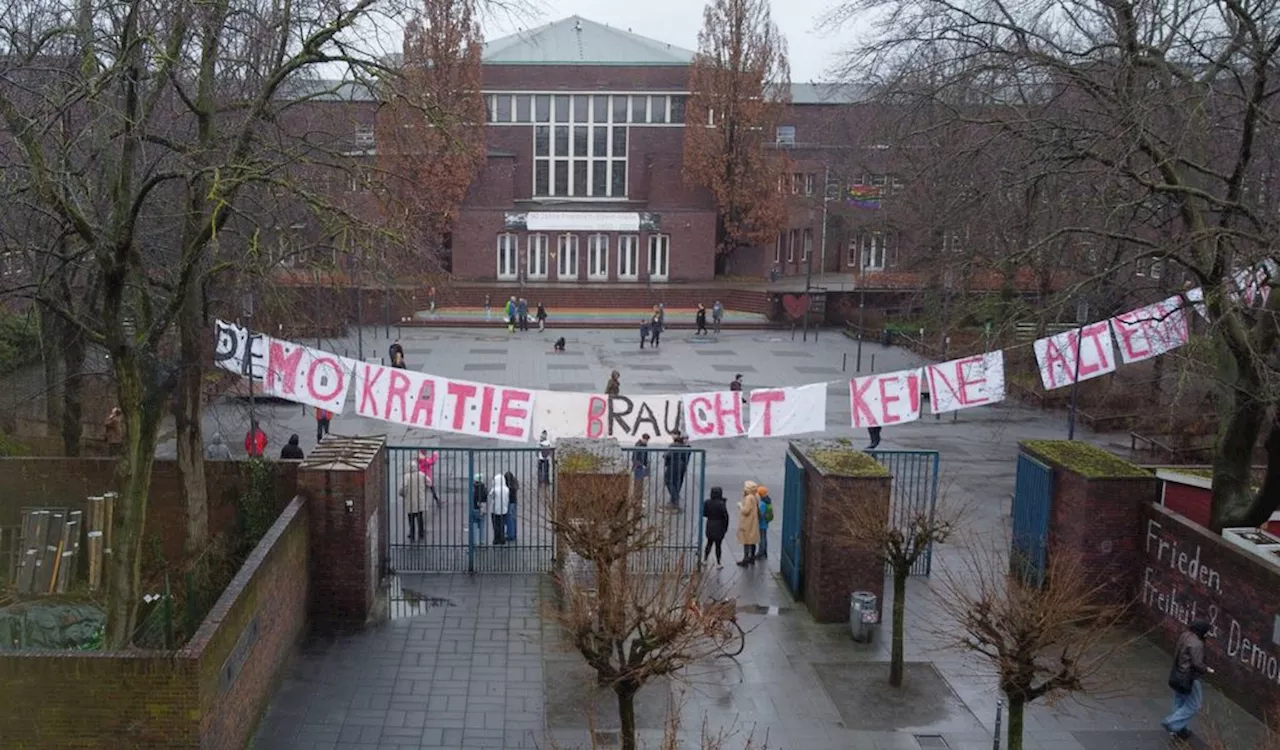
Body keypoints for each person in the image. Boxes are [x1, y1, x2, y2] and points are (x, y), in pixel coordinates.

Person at [1163, 620, 1214, 740]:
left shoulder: (1185, 636)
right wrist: (1207, 669)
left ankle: (1179, 730)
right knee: (1195, 704)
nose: (1208, 635)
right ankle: (1171, 722)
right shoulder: (1197, 643)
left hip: (1178, 673)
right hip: (1190, 677)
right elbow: (1197, 663)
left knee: (1179, 701)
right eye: (1207, 632)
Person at [663, 431, 692, 512]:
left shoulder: (673, 445)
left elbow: (668, 455)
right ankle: (674, 500)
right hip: (681, 467)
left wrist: (664, 455)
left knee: (668, 481)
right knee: (676, 483)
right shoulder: (686, 447)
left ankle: (675, 498)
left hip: (673, 465)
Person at [702, 486, 729, 569]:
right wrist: (725, 528)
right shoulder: (721, 504)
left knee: (709, 543)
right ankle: (718, 562)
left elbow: (704, 513)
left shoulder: (707, 502)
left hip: (710, 524)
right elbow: (725, 516)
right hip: (719, 526)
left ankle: (705, 559)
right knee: (718, 545)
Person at [400, 468, 429, 541]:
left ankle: (412, 535)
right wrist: (424, 489)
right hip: (420, 500)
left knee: (411, 519)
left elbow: (404, 487)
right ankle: (421, 534)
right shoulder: (421, 474)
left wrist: (402, 494)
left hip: (410, 500)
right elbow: (429, 482)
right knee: (420, 518)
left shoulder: (406, 476)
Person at [737, 481, 762, 566]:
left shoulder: (748, 498)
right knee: (752, 540)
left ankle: (745, 559)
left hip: (748, 522)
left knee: (746, 540)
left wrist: (740, 506)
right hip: (754, 521)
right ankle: (752, 557)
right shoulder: (756, 496)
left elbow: (746, 511)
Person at [488, 473, 510, 545]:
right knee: (502, 525)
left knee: (496, 525)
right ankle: (502, 538)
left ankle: (496, 539)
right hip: (504, 509)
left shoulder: (495, 489)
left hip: (495, 509)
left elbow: (490, 495)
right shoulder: (506, 489)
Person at [631, 434, 651, 502]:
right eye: (646, 440)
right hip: (639, 466)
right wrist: (642, 465)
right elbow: (635, 457)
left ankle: (639, 498)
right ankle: (637, 498)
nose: (646, 442)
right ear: (643, 439)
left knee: (640, 483)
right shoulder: (638, 445)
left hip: (642, 466)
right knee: (638, 483)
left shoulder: (643, 445)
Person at [756, 485, 774, 560]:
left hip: (762, 523)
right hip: (765, 523)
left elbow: (761, 514)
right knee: (764, 537)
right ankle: (765, 552)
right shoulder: (768, 501)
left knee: (761, 539)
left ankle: (761, 552)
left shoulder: (763, 503)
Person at [470, 473, 488, 546]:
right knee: (482, 525)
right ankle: (482, 541)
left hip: (474, 508)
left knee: (474, 525)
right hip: (482, 509)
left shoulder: (473, 488)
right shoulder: (484, 488)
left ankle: (474, 542)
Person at [504, 471, 519, 543]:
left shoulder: (508, 486)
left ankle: (511, 535)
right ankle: (513, 534)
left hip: (510, 502)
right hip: (514, 502)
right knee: (513, 519)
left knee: (509, 519)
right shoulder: (515, 483)